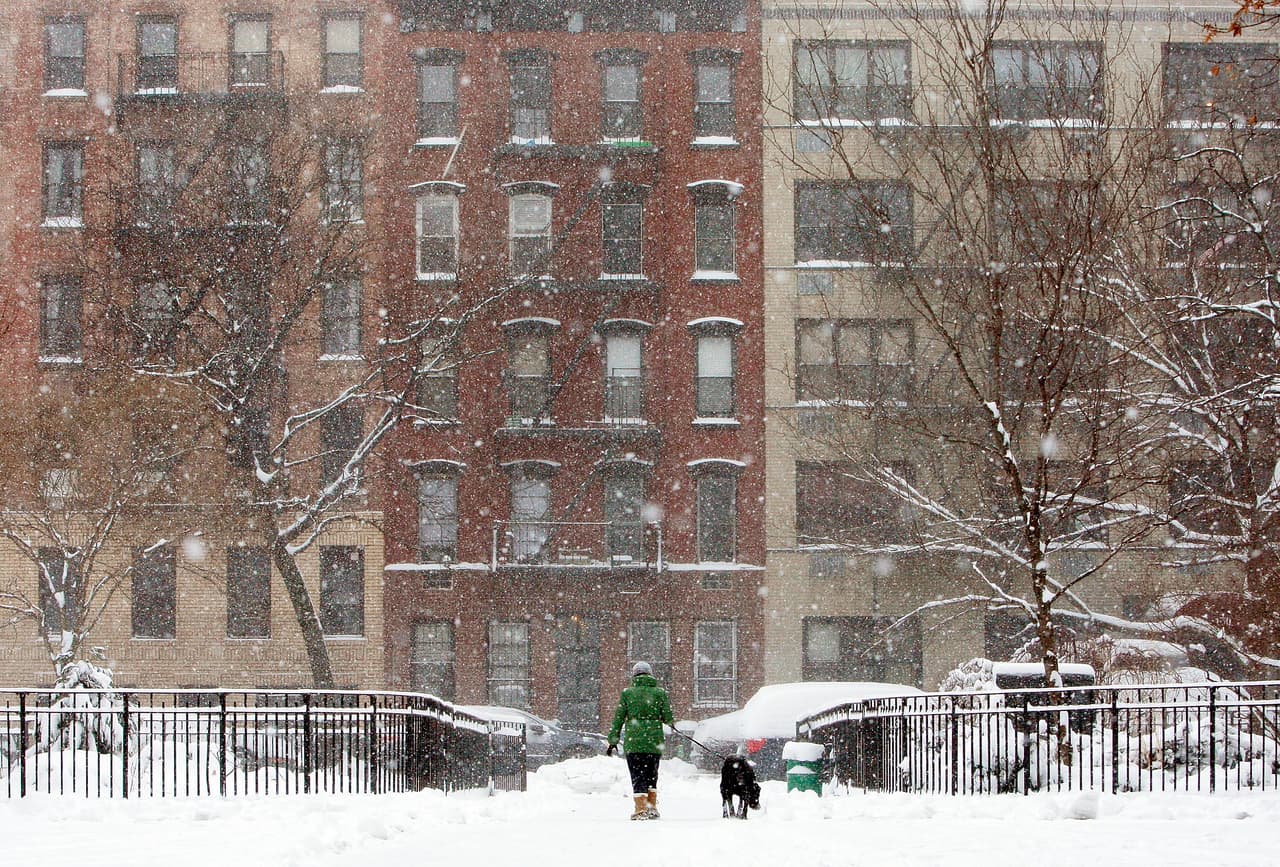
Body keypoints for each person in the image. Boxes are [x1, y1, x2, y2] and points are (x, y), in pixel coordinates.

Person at [606, 661, 675, 820]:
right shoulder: (660, 693)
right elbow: (668, 718)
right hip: (654, 742)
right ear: (650, 674)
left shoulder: (627, 693)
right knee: (652, 775)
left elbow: (618, 718)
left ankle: (640, 810)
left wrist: (613, 740)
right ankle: (652, 808)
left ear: (634, 675)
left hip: (634, 742)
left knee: (638, 775)